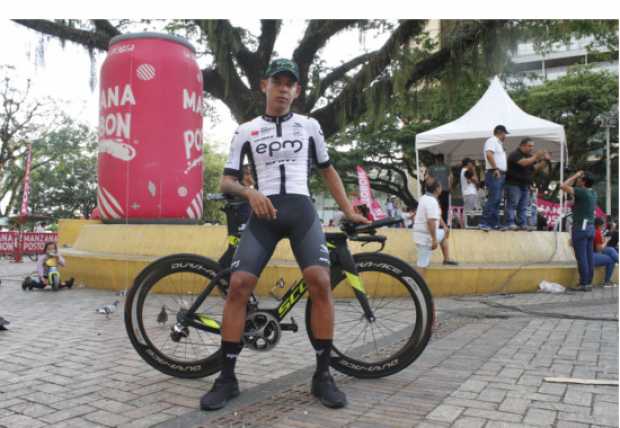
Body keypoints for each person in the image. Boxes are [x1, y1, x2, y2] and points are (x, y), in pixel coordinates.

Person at [200, 58, 369, 411]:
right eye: (277, 81)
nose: (283, 88)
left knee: (320, 280)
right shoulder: (246, 130)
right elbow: (226, 180)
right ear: (265, 86)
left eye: (289, 83)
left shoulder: (309, 126)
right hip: (263, 212)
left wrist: (350, 210)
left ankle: (323, 376)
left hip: (300, 211)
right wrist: (250, 193)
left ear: (297, 90)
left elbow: (327, 170)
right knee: (238, 286)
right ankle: (227, 379)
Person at [413, 178, 458, 279]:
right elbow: (431, 221)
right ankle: (417, 286)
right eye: (440, 186)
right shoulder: (431, 201)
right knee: (422, 264)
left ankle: (446, 259)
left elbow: (437, 215)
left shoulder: (425, 198)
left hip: (422, 233)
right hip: (426, 236)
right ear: (437, 189)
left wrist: (445, 227)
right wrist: (433, 240)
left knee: (444, 234)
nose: (441, 188)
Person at [560, 170, 597, 291]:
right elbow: (577, 202)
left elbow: (563, 185)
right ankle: (588, 282)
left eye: (580, 178)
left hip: (581, 227)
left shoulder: (582, 192)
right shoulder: (593, 193)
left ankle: (583, 283)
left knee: (581, 257)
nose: (578, 180)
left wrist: (574, 175)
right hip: (590, 227)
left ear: (584, 181)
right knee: (588, 256)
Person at [504, 138, 551, 230]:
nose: (531, 148)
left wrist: (545, 161)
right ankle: (510, 223)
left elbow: (535, 168)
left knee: (523, 205)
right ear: (522, 145)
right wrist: (536, 156)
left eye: (532, 146)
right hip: (513, 184)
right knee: (513, 204)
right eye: (529, 146)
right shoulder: (515, 154)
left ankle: (522, 224)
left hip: (525, 184)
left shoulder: (530, 156)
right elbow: (524, 163)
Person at [479, 125, 509, 231]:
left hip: (499, 173)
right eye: (505, 134)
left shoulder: (498, 143)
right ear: (500, 132)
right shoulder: (492, 140)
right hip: (494, 173)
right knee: (494, 198)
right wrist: (496, 168)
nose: (505, 136)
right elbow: (489, 155)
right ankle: (484, 222)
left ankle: (494, 223)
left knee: (497, 200)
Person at [426, 154, 452, 224]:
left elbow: (427, 178)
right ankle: (444, 223)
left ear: (436, 159)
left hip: (434, 191)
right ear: (443, 159)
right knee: (444, 208)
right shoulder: (447, 167)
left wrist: (430, 187)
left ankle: (435, 223)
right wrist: (449, 187)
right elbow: (450, 177)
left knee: (434, 207)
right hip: (445, 190)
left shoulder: (431, 167)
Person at [593, 217, 618, 286]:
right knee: (611, 259)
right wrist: (606, 241)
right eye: (603, 225)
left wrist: (603, 239)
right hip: (592, 256)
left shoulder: (595, 231)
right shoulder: (597, 232)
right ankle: (607, 281)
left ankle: (607, 281)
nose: (604, 227)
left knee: (611, 249)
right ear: (600, 225)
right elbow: (599, 249)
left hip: (592, 254)